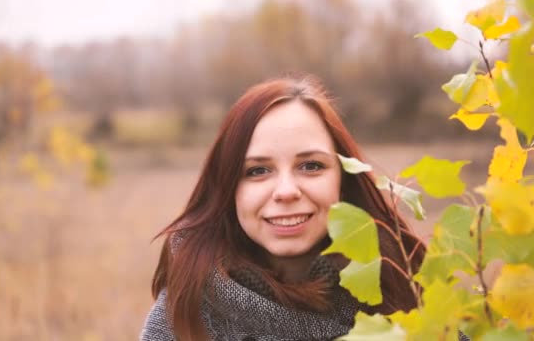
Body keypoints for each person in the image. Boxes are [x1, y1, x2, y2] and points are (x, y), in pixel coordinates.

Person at [141, 73, 425, 341]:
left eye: (311, 166)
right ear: (228, 189)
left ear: (343, 180)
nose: (286, 191)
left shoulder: (402, 290)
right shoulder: (183, 317)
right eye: (258, 170)